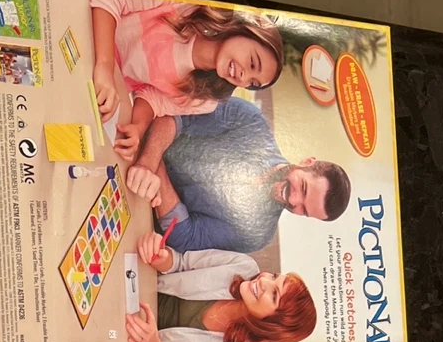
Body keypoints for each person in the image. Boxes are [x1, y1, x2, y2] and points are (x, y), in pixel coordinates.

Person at [125, 97, 351, 252]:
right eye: (303, 188)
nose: (293, 200)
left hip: (136, 215)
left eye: (304, 210)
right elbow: (174, 116)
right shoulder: (249, 121)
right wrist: (148, 163)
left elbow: (184, 235)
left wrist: (156, 171)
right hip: (131, 138)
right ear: (307, 163)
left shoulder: (258, 234)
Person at [90, 0, 284, 166]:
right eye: (252, 63)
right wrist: (105, 66)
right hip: (87, 27)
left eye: (252, 83)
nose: (243, 78)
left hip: (99, 85)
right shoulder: (184, 2)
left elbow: (153, 99)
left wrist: (138, 128)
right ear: (245, 30)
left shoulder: (206, 101)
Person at [123, 230, 317, 342]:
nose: (264, 280)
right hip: (133, 287)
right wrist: (163, 258)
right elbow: (181, 262)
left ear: (275, 325)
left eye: (274, 294)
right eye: (274, 276)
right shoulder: (244, 266)